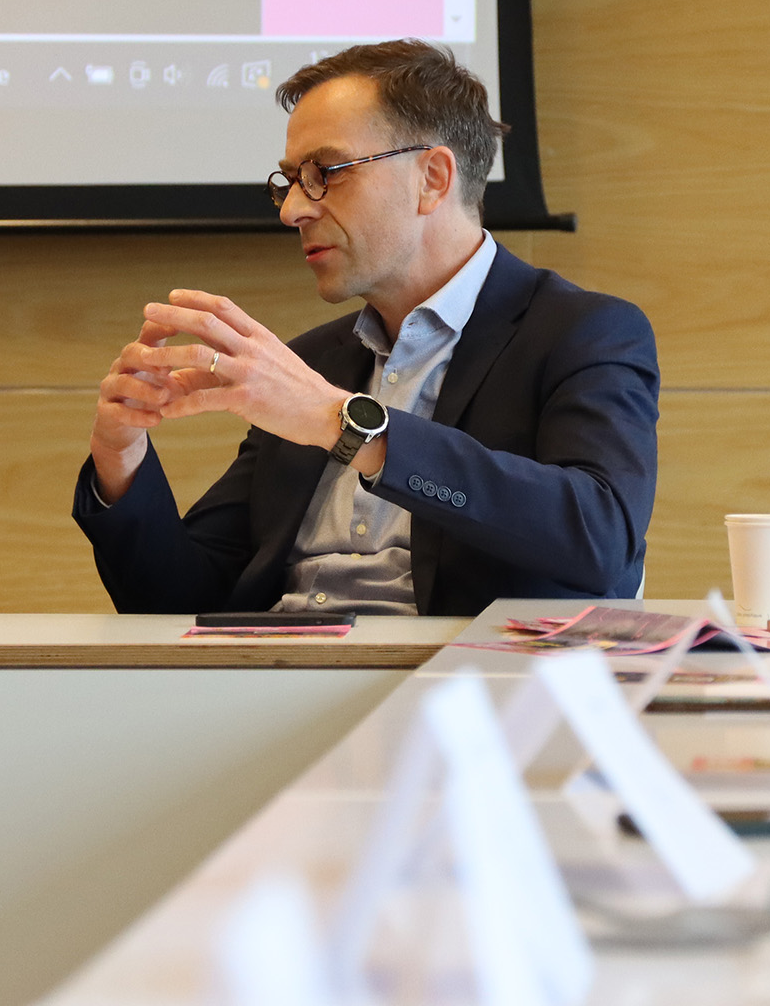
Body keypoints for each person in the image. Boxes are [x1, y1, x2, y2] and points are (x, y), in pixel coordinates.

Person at [74, 40, 659, 616]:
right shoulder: (313, 364)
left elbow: (600, 538)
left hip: (455, 673)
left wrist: (345, 424)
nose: (292, 210)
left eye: (324, 172)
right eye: (288, 181)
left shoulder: (582, 332)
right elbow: (179, 602)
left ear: (432, 178)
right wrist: (120, 459)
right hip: (273, 668)